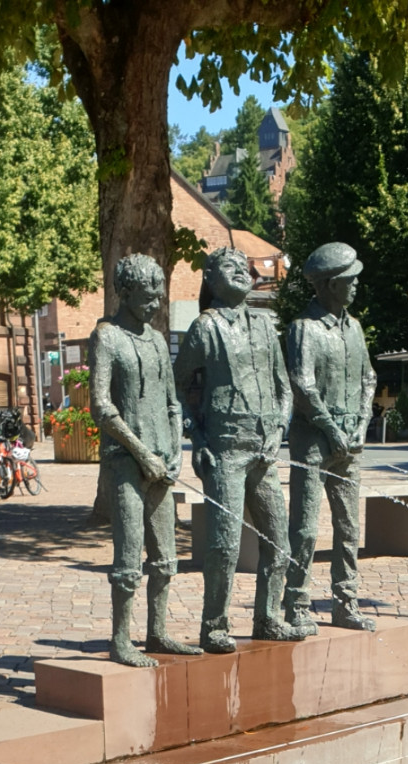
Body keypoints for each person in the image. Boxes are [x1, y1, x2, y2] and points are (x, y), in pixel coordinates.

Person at [174, 246, 300, 653]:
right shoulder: (205, 328)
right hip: (225, 448)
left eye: (244, 268)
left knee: (279, 541)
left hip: (264, 449)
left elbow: (284, 387)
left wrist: (279, 427)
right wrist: (196, 436)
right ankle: (214, 626)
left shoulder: (265, 325)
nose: (242, 273)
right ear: (211, 280)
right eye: (230, 268)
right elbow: (176, 386)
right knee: (224, 544)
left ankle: (268, 619)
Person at [89, 253, 200, 667]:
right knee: (128, 555)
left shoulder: (156, 339)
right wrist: (141, 453)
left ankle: (158, 632)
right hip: (125, 462)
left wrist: (173, 452)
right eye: (148, 297)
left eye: (159, 296)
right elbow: (101, 407)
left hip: (161, 462)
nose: (156, 304)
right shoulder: (106, 337)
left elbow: (172, 402)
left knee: (166, 557)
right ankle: (120, 640)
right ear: (125, 292)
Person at [284, 242, 377, 636]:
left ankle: (345, 603)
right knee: (305, 529)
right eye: (348, 279)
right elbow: (302, 385)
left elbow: (368, 378)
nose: (355, 285)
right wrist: (331, 429)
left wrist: (362, 423)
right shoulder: (304, 329)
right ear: (328, 284)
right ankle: (296, 604)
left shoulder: (353, 328)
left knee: (349, 527)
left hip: (349, 440)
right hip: (313, 441)